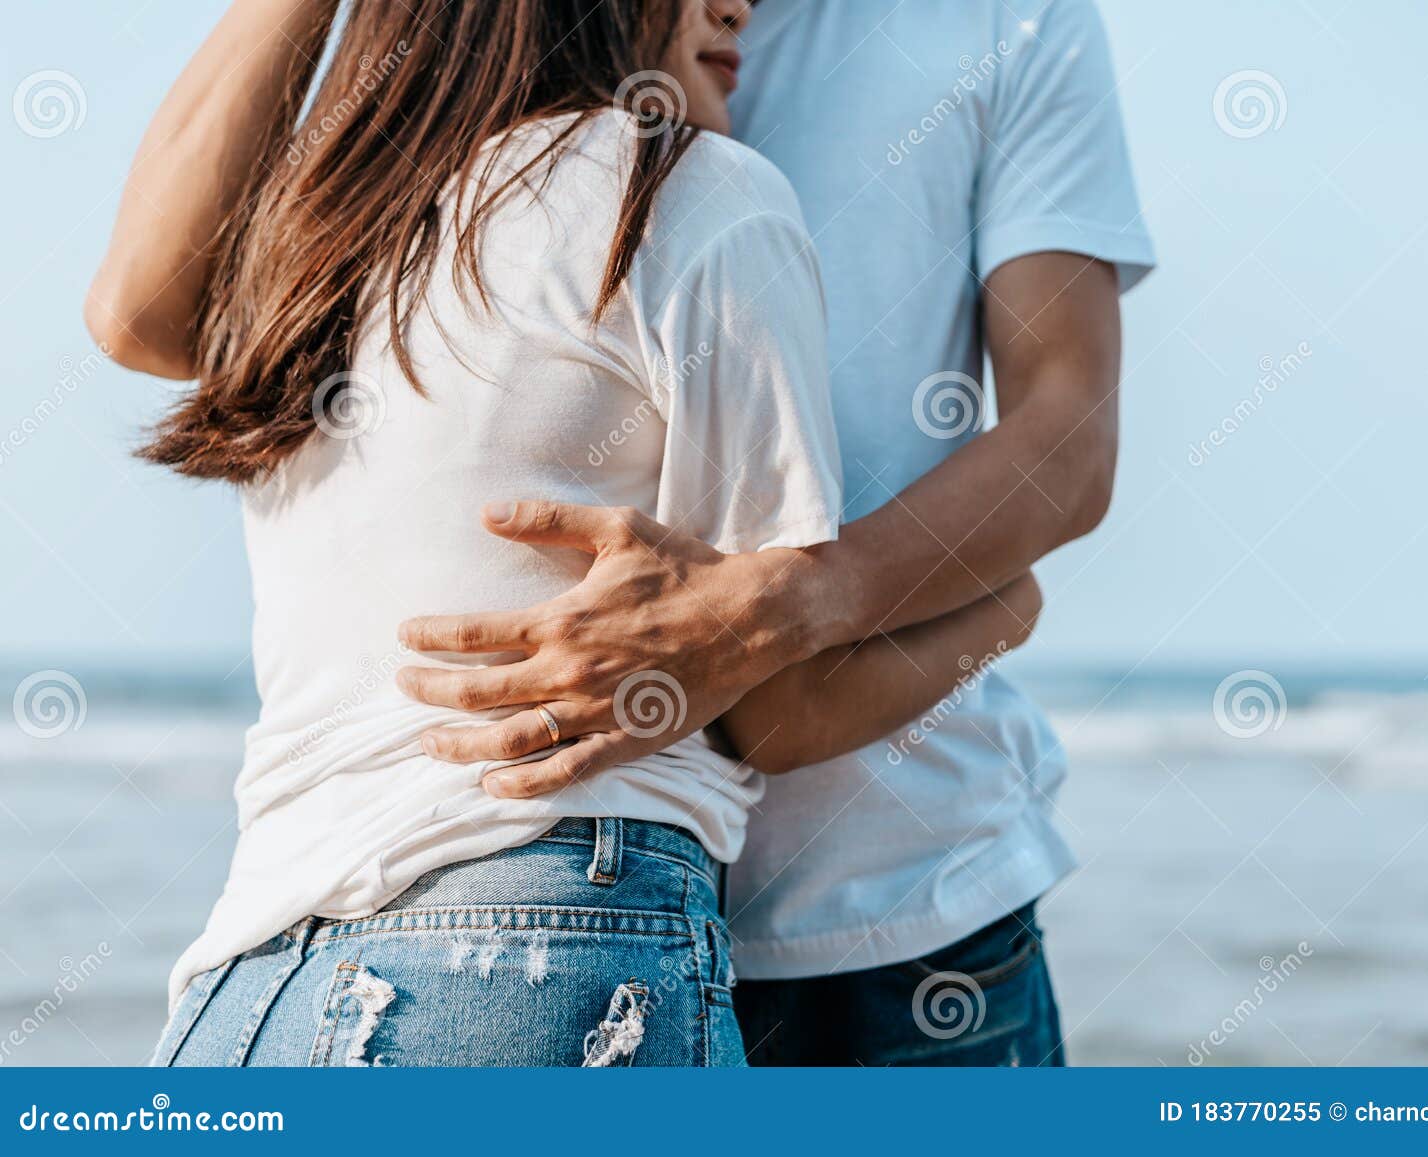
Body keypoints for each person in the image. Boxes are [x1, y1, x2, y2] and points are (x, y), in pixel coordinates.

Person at [87, 0, 1042, 1067]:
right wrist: (1004, 605)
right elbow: (777, 712)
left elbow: (133, 309)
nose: (741, 6)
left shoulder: (315, 247)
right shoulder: (696, 193)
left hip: (245, 990)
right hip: (544, 960)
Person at [395, 0, 1155, 1066]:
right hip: (555, 914)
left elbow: (1066, 437)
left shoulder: (1007, 22)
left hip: (903, 911)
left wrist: (779, 607)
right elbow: (144, 316)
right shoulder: (500, 31)